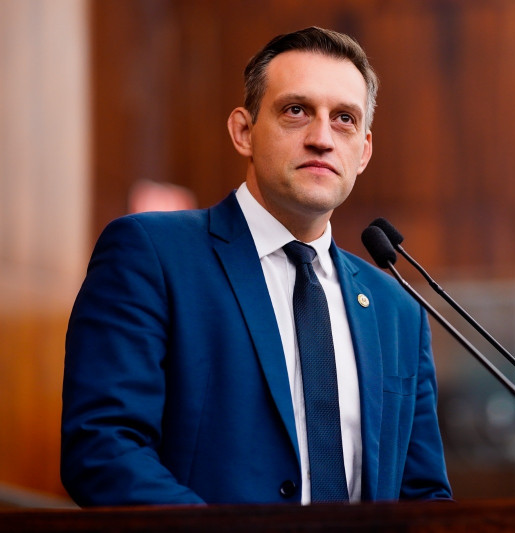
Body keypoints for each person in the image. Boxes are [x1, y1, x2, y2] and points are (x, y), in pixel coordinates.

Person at [61, 26, 452, 506]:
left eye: (344, 119)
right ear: (243, 131)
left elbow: (423, 495)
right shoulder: (152, 254)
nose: (322, 138)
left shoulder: (398, 310)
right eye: (296, 111)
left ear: (364, 152)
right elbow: (103, 447)